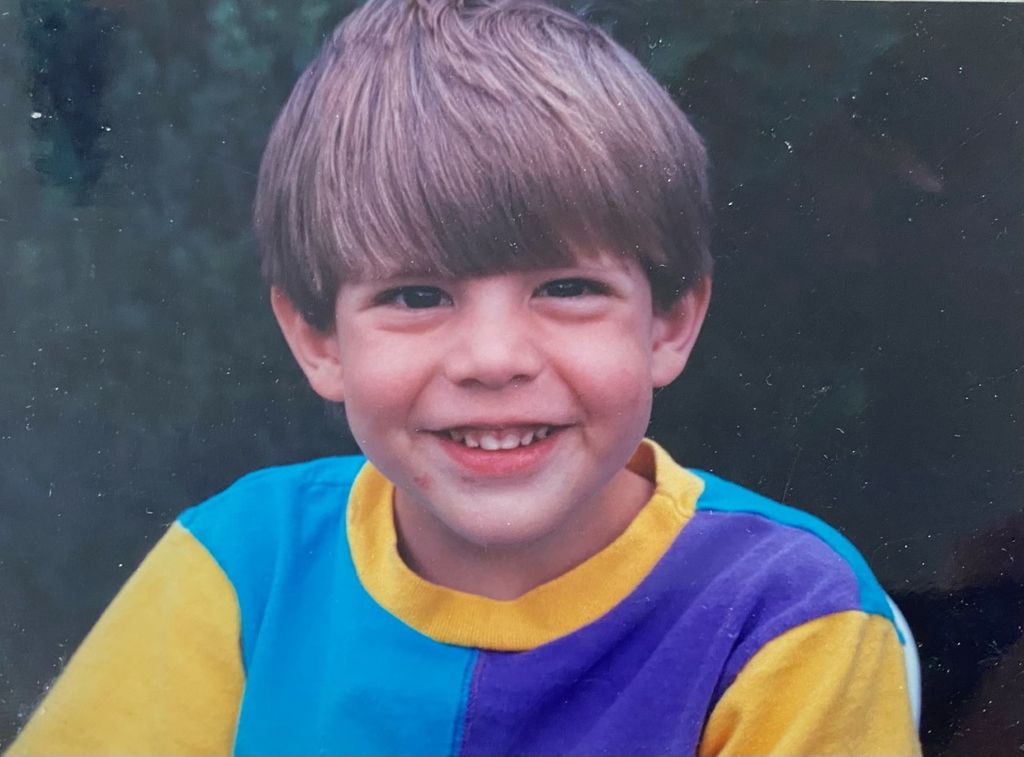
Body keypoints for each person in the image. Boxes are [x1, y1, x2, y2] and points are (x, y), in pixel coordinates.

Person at [8, 0, 922, 754]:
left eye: (567, 288)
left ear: (669, 323)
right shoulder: (243, 561)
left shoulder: (783, 615)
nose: (492, 359)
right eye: (416, 295)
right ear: (319, 339)